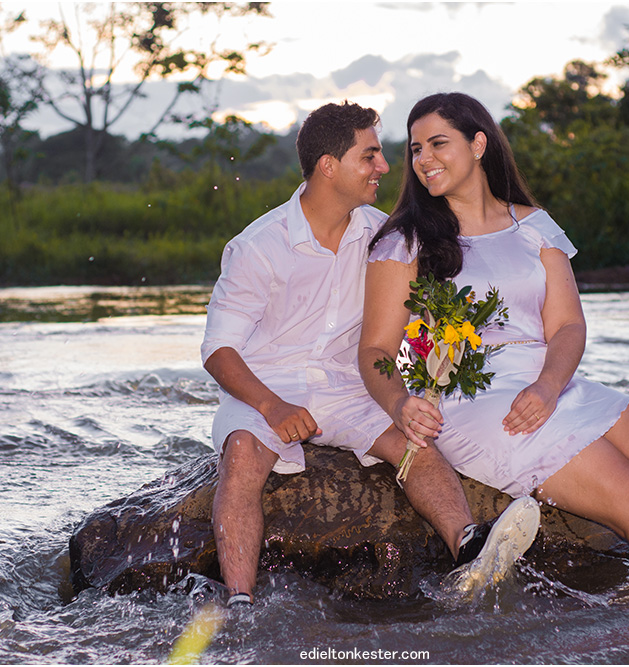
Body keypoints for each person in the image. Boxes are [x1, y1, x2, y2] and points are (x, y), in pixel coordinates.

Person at [358, 92, 629, 592]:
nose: (423, 160)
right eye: (415, 149)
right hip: (475, 399)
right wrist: (400, 404)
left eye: (437, 143)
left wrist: (548, 385)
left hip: (551, 382)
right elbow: (374, 351)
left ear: (479, 144)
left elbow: (568, 326)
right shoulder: (406, 241)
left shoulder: (533, 226)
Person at [200, 100, 538, 609]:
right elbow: (218, 351)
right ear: (328, 166)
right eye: (370, 156)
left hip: (350, 386)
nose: (384, 168)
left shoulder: (386, 237)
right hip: (268, 386)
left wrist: (430, 378)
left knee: (416, 442)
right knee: (243, 454)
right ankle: (241, 602)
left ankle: (470, 550)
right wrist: (272, 407)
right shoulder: (258, 246)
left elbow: (417, 322)